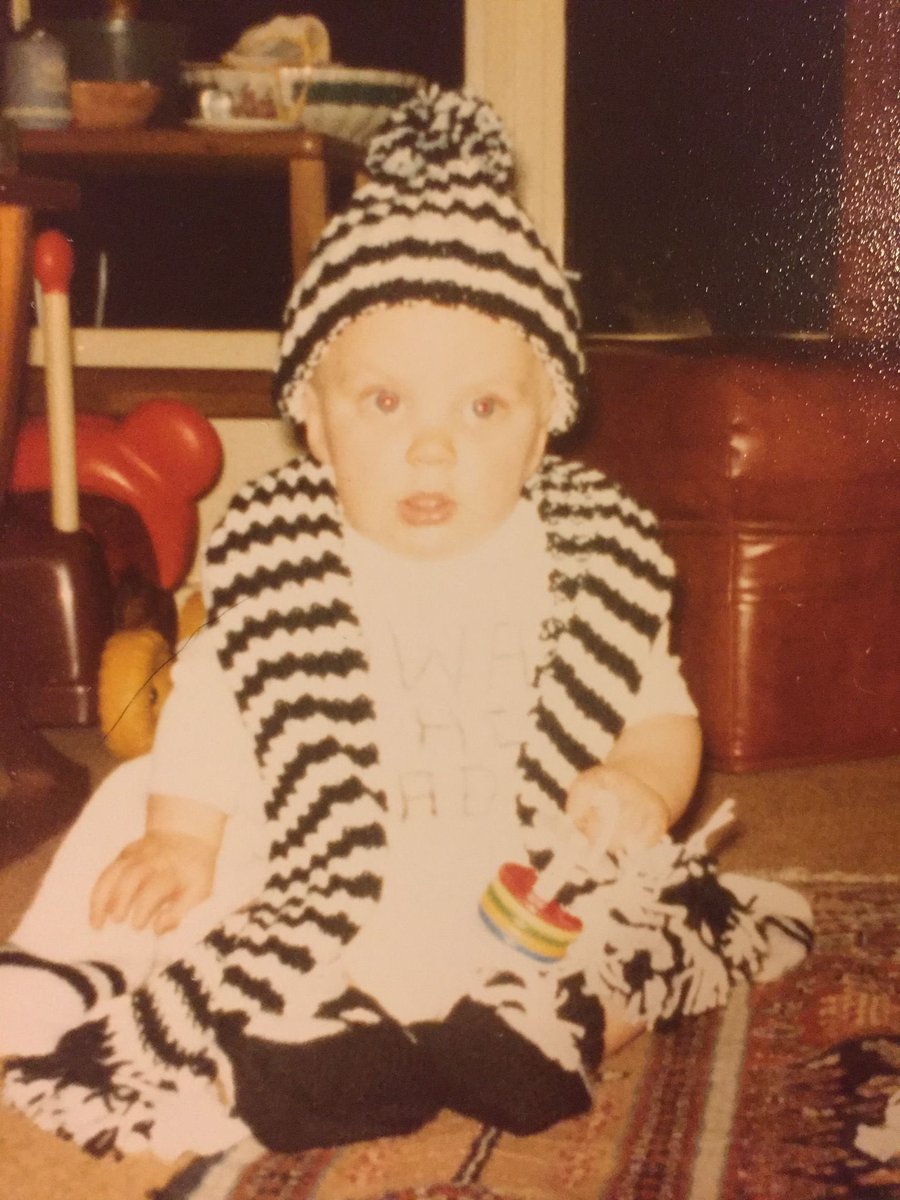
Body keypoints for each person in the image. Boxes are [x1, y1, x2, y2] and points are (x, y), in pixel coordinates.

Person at [0, 88, 813, 1162]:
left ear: (543, 435)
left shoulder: (587, 567)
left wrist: (639, 785)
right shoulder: (290, 566)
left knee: (636, 929)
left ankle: (561, 1031)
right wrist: (182, 834)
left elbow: (657, 712)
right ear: (316, 429)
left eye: (482, 409)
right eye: (385, 403)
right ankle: (315, 1046)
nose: (433, 448)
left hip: (528, 870)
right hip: (330, 859)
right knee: (175, 882)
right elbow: (217, 702)